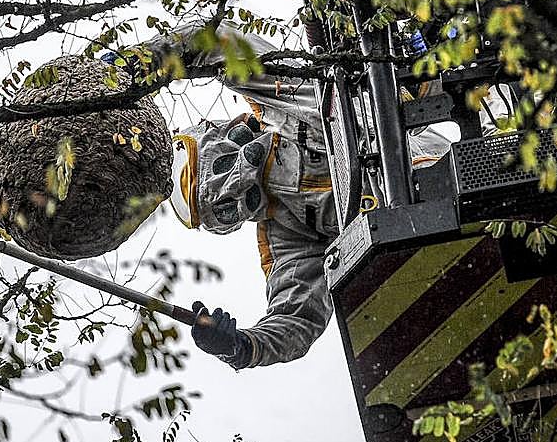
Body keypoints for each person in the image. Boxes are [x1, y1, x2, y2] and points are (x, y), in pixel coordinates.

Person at [136, 23, 448, 369]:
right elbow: (296, 318)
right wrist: (238, 347)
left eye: (221, 200)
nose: (234, 197)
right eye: (223, 213)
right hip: (425, 229)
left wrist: (134, 64)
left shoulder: (278, 100)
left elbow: (217, 42)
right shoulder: (286, 231)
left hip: (434, 144)